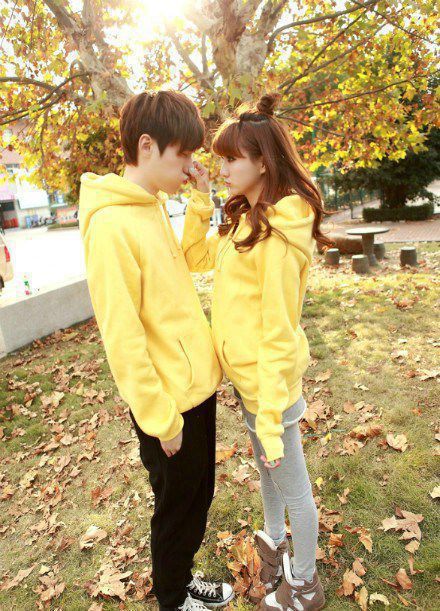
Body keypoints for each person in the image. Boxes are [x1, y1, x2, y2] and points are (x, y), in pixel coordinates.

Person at [79, 90, 233, 611]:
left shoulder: (150, 207)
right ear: (147, 146)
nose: (189, 166)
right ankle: (173, 598)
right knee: (176, 508)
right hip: (167, 403)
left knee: (197, 497)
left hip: (195, 386)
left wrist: (201, 199)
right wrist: (159, 419)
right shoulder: (111, 225)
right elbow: (121, 336)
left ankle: (182, 579)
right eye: (182, 154)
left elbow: (191, 260)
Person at [182, 92, 333, 611]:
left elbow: (277, 332)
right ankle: (274, 547)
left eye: (231, 160)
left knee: (295, 490)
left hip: (272, 389)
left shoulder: (280, 233)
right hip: (250, 383)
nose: (222, 169)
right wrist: (201, 198)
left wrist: (269, 420)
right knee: (269, 475)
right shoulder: (247, 220)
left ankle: (305, 585)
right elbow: (195, 257)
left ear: (263, 162)